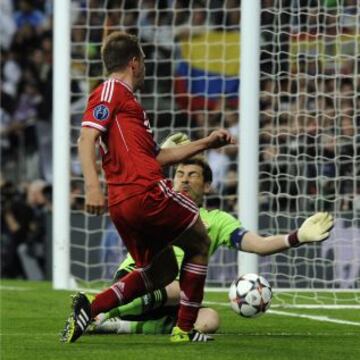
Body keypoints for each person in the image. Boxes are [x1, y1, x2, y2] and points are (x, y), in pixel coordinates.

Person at [60, 31, 236, 344]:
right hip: (144, 192)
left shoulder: (131, 107)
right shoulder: (110, 90)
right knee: (199, 242)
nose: (146, 67)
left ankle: (91, 307)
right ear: (134, 62)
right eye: (144, 61)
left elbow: (159, 156)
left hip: (124, 203)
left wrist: (206, 142)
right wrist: (91, 187)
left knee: (162, 270)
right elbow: (86, 138)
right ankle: (183, 330)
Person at [85, 156, 334, 336]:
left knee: (209, 320)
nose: (184, 180)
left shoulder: (217, 220)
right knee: (175, 283)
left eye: (192, 175)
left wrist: (297, 236)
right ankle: (103, 311)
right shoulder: (159, 206)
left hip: (174, 297)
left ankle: (119, 326)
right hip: (138, 280)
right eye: (179, 175)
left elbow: (258, 244)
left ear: (206, 186)